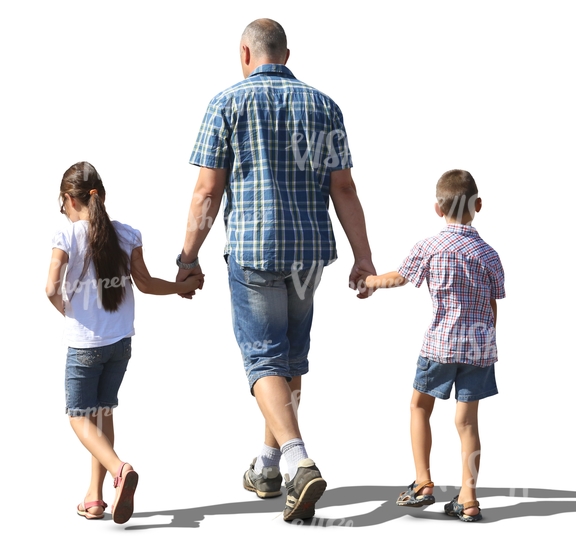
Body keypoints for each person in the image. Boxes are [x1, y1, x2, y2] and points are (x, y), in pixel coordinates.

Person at [175, 18, 374, 521]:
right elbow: (344, 189)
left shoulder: (227, 103)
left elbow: (206, 191)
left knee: (264, 359)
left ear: (246, 54)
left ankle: (298, 460)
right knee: (289, 359)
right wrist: (363, 257)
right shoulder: (324, 105)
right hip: (309, 253)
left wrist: (188, 255)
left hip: (255, 249)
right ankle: (268, 466)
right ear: (286, 54)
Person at [46, 162, 203, 524]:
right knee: (103, 413)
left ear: (70, 199)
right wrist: (183, 287)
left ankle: (120, 470)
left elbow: (51, 288)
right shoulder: (128, 234)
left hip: (85, 346)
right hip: (120, 345)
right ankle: (95, 497)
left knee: (78, 417)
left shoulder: (66, 237)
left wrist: (69, 314)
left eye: (62, 204)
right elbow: (145, 284)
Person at [365, 169, 505, 522]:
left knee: (419, 407)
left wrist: (370, 281)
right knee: (468, 423)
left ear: (437, 209)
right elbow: (492, 305)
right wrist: (486, 340)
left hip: (439, 344)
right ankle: (469, 500)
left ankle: (424, 482)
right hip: (479, 348)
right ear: (478, 205)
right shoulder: (490, 256)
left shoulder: (429, 247)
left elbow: (400, 277)